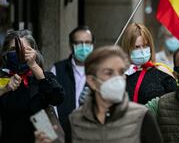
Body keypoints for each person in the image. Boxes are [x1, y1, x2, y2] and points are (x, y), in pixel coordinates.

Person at [35, 45, 163, 143]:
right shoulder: (75, 121)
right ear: (92, 81)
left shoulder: (142, 117)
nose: (117, 78)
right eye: (109, 73)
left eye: (120, 72)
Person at [0, 30, 64, 142]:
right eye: (13, 50)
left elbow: (57, 98)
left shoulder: (42, 77)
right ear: (6, 53)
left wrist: (33, 65)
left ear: (33, 52)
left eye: (24, 50)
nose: (19, 53)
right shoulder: (2, 79)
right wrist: (6, 88)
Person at [120, 23, 176, 104]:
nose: (142, 51)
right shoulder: (120, 75)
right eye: (137, 47)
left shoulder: (162, 71)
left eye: (145, 45)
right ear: (127, 47)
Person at [50, 26, 94, 128]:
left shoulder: (101, 70)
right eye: (79, 43)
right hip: (65, 132)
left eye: (87, 42)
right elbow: (51, 105)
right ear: (71, 45)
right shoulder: (57, 69)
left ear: (92, 45)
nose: (84, 47)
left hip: (91, 132)